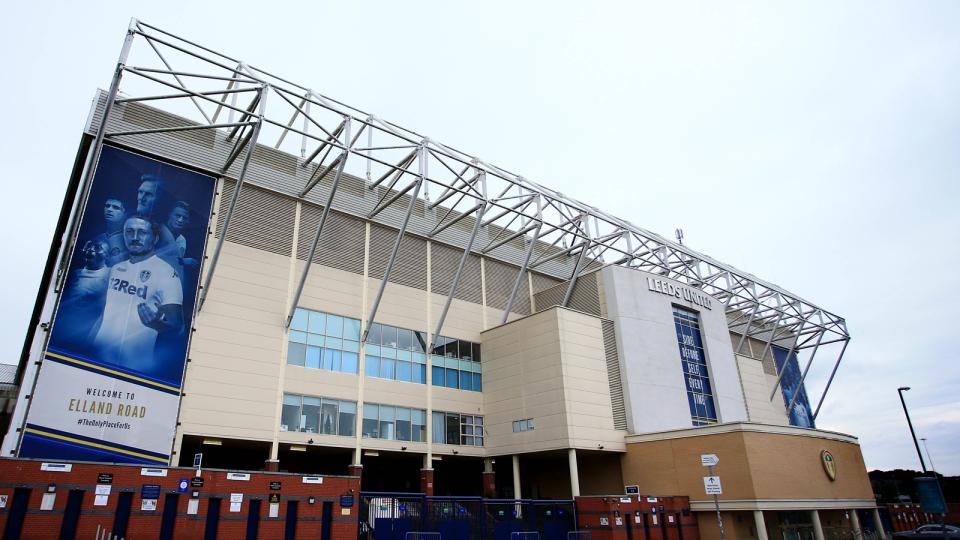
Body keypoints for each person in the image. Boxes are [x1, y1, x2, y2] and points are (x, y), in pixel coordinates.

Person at [91, 217, 184, 372]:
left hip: (133, 367)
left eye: (142, 232)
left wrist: (155, 324)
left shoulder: (166, 272)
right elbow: (104, 315)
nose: (134, 237)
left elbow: (178, 328)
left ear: (154, 238)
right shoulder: (116, 268)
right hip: (97, 357)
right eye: (129, 232)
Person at [55, 239, 110, 347]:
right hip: (61, 331)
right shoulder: (73, 274)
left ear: (107, 255)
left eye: (97, 247)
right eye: (89, 247)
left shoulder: (111, 275)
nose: (90, 250)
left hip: (84, 336)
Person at [98, 197, 128, 266]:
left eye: (116, 207)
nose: (109, 209)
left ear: (125, 213)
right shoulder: (97, 238)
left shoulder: (128, 239)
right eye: (107, 206)